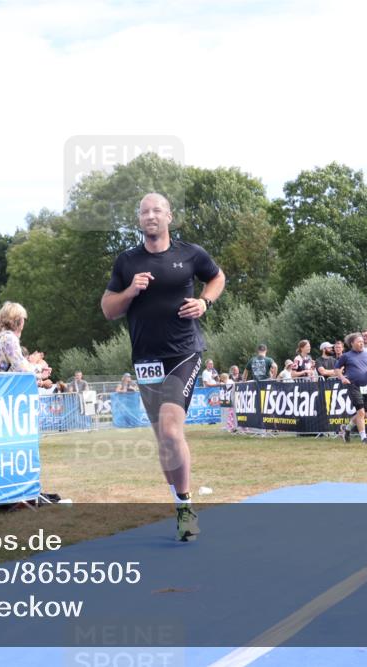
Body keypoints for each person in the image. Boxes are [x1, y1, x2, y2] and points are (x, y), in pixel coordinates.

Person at [100, 192, 225, 542]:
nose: (151, 216)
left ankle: (186, 508)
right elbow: (109, 309)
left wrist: (205, 302)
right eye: (144, 212)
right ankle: (178, 502)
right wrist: (130, 291)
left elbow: (217, 277)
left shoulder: (190, 254)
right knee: (163, 440)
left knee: (171, 431)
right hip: (146, 360)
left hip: (184, 352)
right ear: (139, 220)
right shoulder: (127, 262)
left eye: (157, 210)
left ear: (169, 216)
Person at [334, 332, 367, 444]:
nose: (361, 343)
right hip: (353, 386)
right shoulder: (346, 356)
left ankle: (347, 429)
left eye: (362, 341)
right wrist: (342, 378)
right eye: (359, 341)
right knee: (361, 412)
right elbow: (336, 369)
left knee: (365, 413)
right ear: (352, 343)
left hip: (365, 387)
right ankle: (364, 438)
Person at [0, 301, 45, 376]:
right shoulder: (10, 338)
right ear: (18, 320)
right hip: (5, 384)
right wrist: (40, 366)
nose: (24, 321)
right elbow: (22, 369)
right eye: (23, 318)